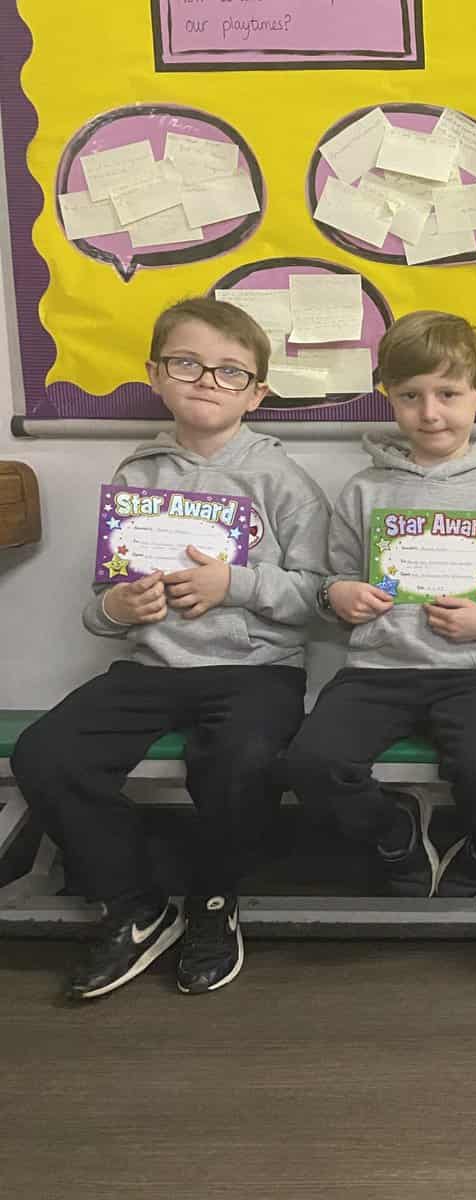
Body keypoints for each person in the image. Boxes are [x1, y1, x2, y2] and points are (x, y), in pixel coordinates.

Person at [12, 297, 329, 998]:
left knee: (241, 761)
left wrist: (233, 584)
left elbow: (319, 596)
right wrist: (117, 608)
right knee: (45, 754)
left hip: (256, 670)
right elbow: (106, 603)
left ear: (257, 392)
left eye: (229, 371)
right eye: (187, 364)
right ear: (157, 374)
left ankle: (214, 900)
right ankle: (136, 905)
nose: (207, 381)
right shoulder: (137, 476)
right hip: (152, 666)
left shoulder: (284, 482)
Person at [282, 312, 476, 900]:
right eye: (410, 395)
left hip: (474, 675)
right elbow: (333, 580)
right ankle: (395, 831)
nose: (429, 412)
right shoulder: (365, 489)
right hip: (376, 670)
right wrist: (339, 596)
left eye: (448, 394)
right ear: (388, 395)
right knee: (311, 763)